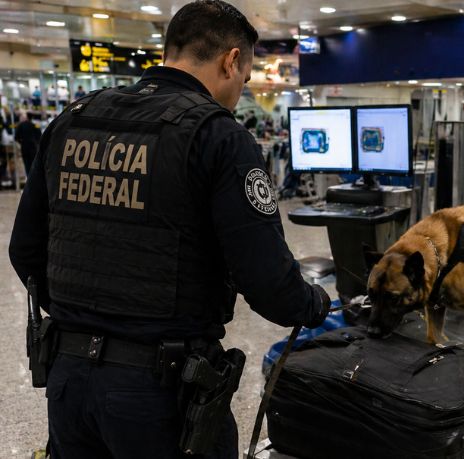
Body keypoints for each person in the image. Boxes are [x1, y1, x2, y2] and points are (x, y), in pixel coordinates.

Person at [8, 1, 330, 458]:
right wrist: (315, 304)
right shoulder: (219, 137)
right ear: (231, 60)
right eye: (246, 75)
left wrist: (89, 313)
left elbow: (25, 250)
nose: (242, 87)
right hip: (161, 392)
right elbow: (268, 283)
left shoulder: (73, 119)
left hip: (67, 380)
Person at [13, 111, 41, 176]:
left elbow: (16, 137)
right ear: (32, 117)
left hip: (24, 148)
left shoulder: (21, 125)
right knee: (33, 165)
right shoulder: (35, 126)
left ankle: (28, 179)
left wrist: (22, 142)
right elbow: (39, 137)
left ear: (27, 117)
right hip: (33, 148)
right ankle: (33, 180)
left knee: (26, 165)